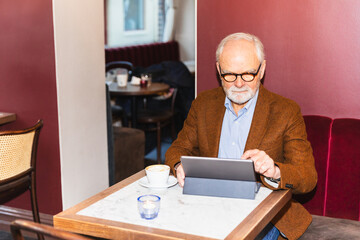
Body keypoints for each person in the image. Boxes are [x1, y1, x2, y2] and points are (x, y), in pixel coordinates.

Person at [165, 32, 317, 240]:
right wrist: (178, 166)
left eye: (248, 74)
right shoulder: (203, 104)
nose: (238, 84)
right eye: (229, 75)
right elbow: (177, 149)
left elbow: (307, 177)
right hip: (209, 206)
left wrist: (274, 170)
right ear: (218, 69)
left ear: (262, 69)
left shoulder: (285, 111)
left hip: (264, 215)